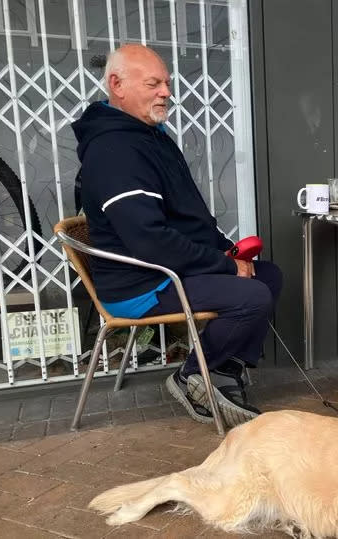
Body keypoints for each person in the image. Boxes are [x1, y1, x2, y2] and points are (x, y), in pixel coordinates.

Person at [72, 44, 282, 426]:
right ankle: (190, 377)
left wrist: (227, 251)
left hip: (160, 269)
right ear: (117, 85)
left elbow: (184, 218)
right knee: (252, 295)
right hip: (140, 284)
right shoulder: (115, 151)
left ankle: (222, 369)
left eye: (166, 83)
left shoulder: (148, 136)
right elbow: (149, 240)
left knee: (267, 274)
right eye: (154, 83)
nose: (166, 92)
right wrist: (223, 264)